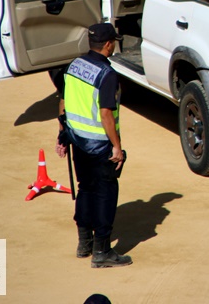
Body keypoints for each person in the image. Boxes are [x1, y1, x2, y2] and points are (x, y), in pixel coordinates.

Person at [56, 23, 132, 268]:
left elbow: (63, 100)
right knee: (106, 195)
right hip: (100, 146)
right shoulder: (107, 74)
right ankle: (102, 251)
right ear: (108, 44)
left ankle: (84, 243)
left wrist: (62, 135)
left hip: (77, 140)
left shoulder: (74, 65)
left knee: (85, 189)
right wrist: (117, 147)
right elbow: (106, 113)